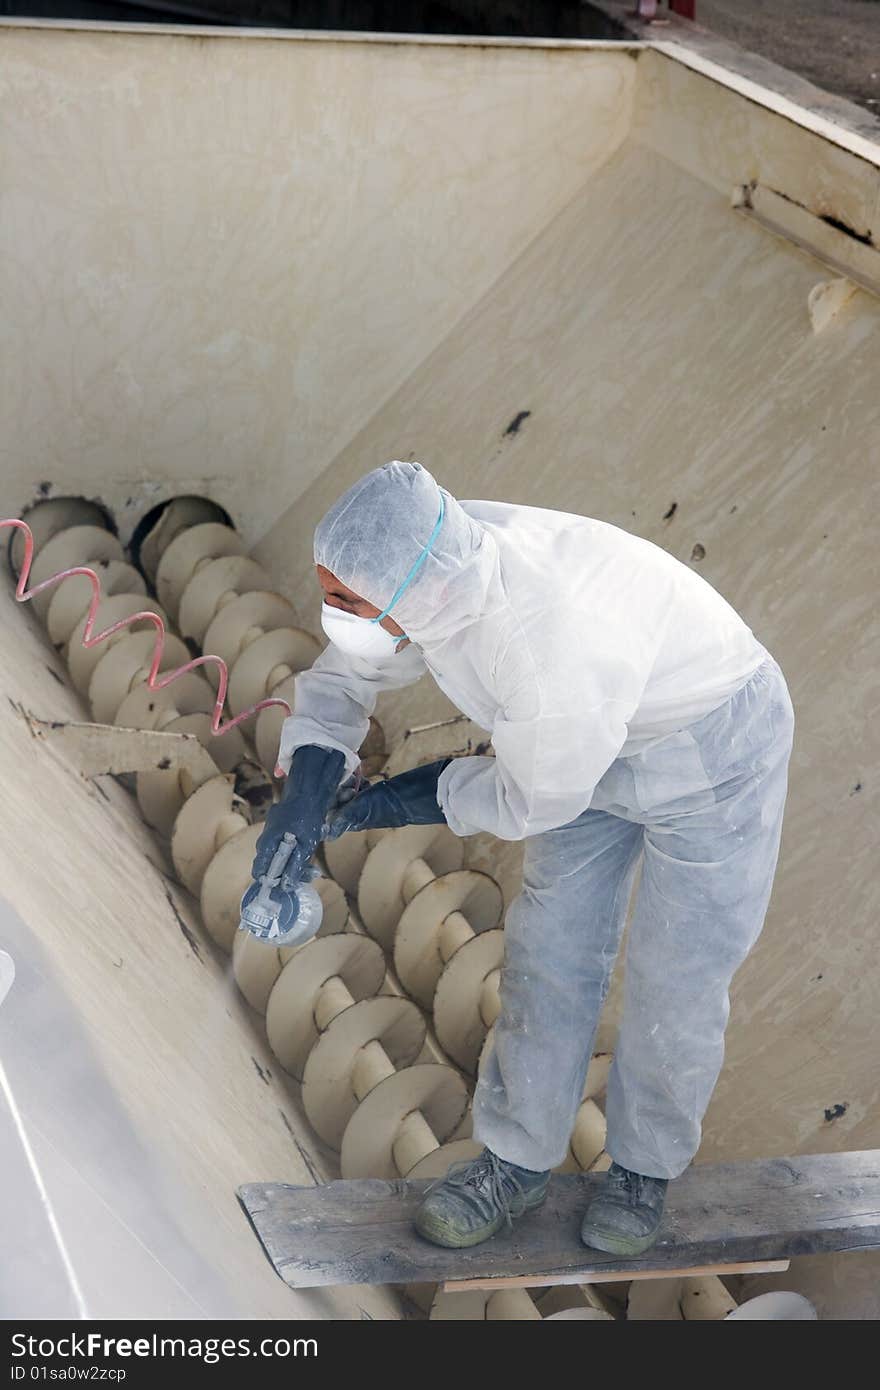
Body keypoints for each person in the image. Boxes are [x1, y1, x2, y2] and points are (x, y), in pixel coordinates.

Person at [250, 461, 794, 1255]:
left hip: (711, 745)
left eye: (346, 603)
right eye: (329, 592)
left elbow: (526, 800)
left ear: (411, 599)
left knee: (678, 974)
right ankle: (515, 1163)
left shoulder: (543, 649)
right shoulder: (427, 560)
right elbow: (347, 677)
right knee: (551, 950)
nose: (335, 614)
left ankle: (642, 1170)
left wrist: (389, 802)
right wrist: (306, 789)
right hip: (588, 732)